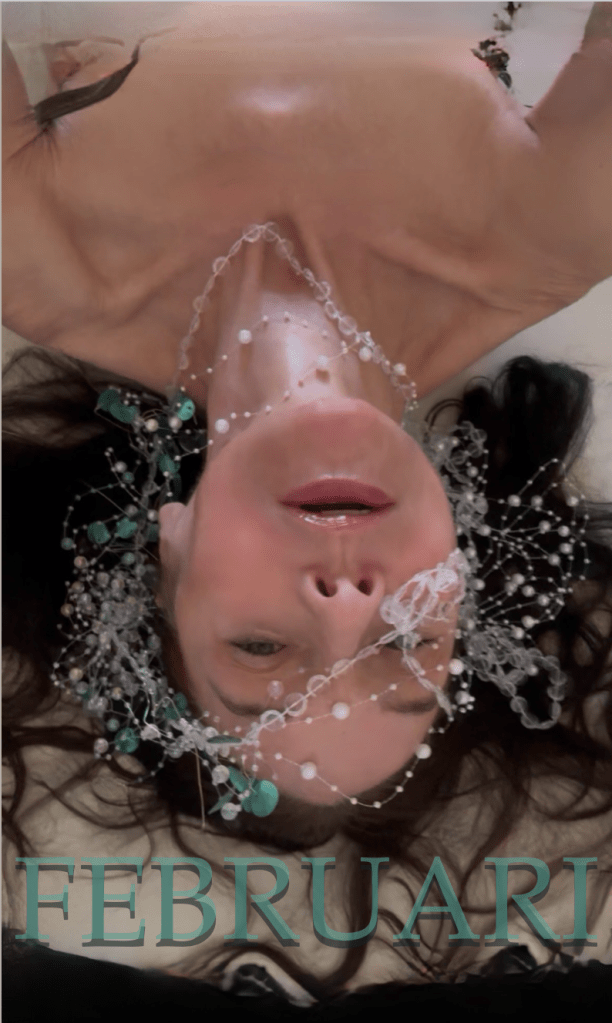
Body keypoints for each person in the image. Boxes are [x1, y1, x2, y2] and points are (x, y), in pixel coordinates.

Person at [2, 4, 612, 1016]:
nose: (346, 599)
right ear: (458, 570)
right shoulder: (559, 227)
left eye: (261, 649)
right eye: (402, 643)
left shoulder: (33, 255)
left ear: (166, 556)